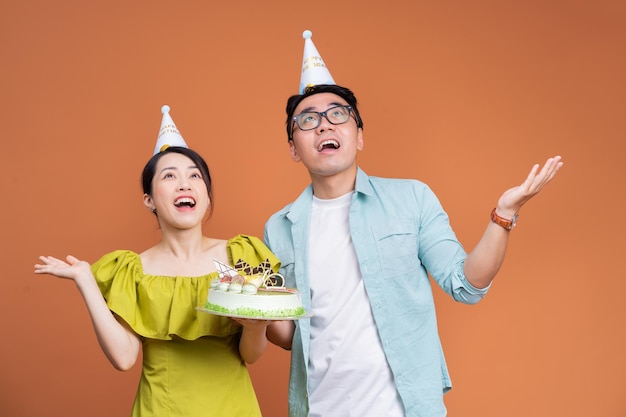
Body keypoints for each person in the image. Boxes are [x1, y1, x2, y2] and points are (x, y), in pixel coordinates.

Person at [263, 83, 563, 417]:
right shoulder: (279, 228)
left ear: (359, 136)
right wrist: (250, 312)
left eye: (338, 114)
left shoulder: (412, 199)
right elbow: (291, 334)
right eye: (307, 119)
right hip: (318, 408)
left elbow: (466, 284)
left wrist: (503, 215)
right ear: (293, 149)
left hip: (403, 409)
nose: (324, 124)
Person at [34, 107, 280, 416]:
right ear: (149, 199)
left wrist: (256, 326)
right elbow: (124, 359)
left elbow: (250, 354)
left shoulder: (240, 256)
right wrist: (86, 280)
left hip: (234, 407)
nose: (184, 184)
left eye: (194, 176)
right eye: (169, 176)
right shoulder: (134, 271)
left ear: (205, 194)